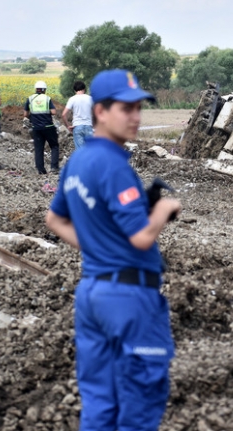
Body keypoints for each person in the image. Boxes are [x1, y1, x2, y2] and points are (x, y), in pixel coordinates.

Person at [45, 69, 181, 431]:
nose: (136, 117)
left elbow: (55, 220)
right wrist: (164, 210)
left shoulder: (77, 162)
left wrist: (97, 249)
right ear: (101, 111)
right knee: (140, 399)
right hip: (129, 297)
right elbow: (140, 238)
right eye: (126, 108)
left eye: (139, 108)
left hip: (92, 292)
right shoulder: (115, 165)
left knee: (99, 401)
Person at [24, 80, 59, 174]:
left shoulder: (30, 99)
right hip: (48, 126)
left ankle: (41, 170)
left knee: (39, 148)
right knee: (54, 146)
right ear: (44, 89)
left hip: (36, 128)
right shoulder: (47, 98)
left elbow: (25, 114)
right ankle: (54, 167)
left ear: (36, 89)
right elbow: (54, 112)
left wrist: (33, 116)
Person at [61, 80, 93, 150]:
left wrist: (68, 126)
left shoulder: (72, 99)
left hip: (77, 126)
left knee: (80, 152)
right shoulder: (90, 98)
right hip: (88, 126)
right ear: (84, 89)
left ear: (75, 90)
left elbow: (63, 114)